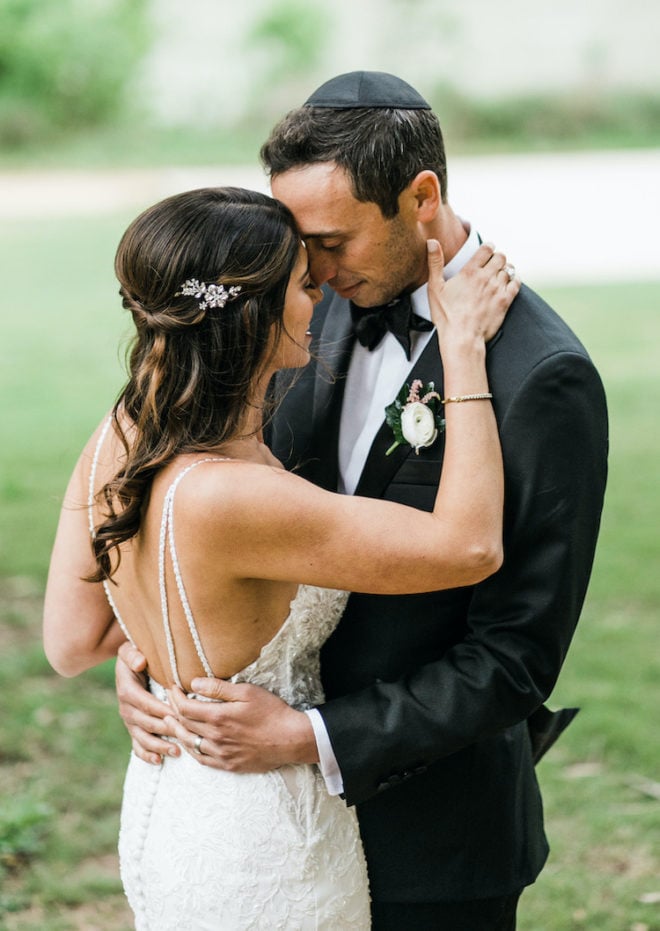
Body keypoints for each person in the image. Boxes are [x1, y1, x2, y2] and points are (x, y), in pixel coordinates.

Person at [115, 73, 609, 930]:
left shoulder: (540, 376)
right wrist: (160, 656)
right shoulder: (301, 311)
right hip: (265, 831)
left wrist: (311, 737)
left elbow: (515, 656)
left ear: (422, 198)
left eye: (330, 240)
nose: (309, 268)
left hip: (434, 839)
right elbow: (209, 503)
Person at [43, 184, 519, 929]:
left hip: (171, 811)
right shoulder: (235, 496)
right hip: (262, 842)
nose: (321, 292)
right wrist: (461, 353)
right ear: (255, 318)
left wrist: (161, 664)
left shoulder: (120, 433)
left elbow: (73, 641)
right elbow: (469, 546)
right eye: (303, 282)